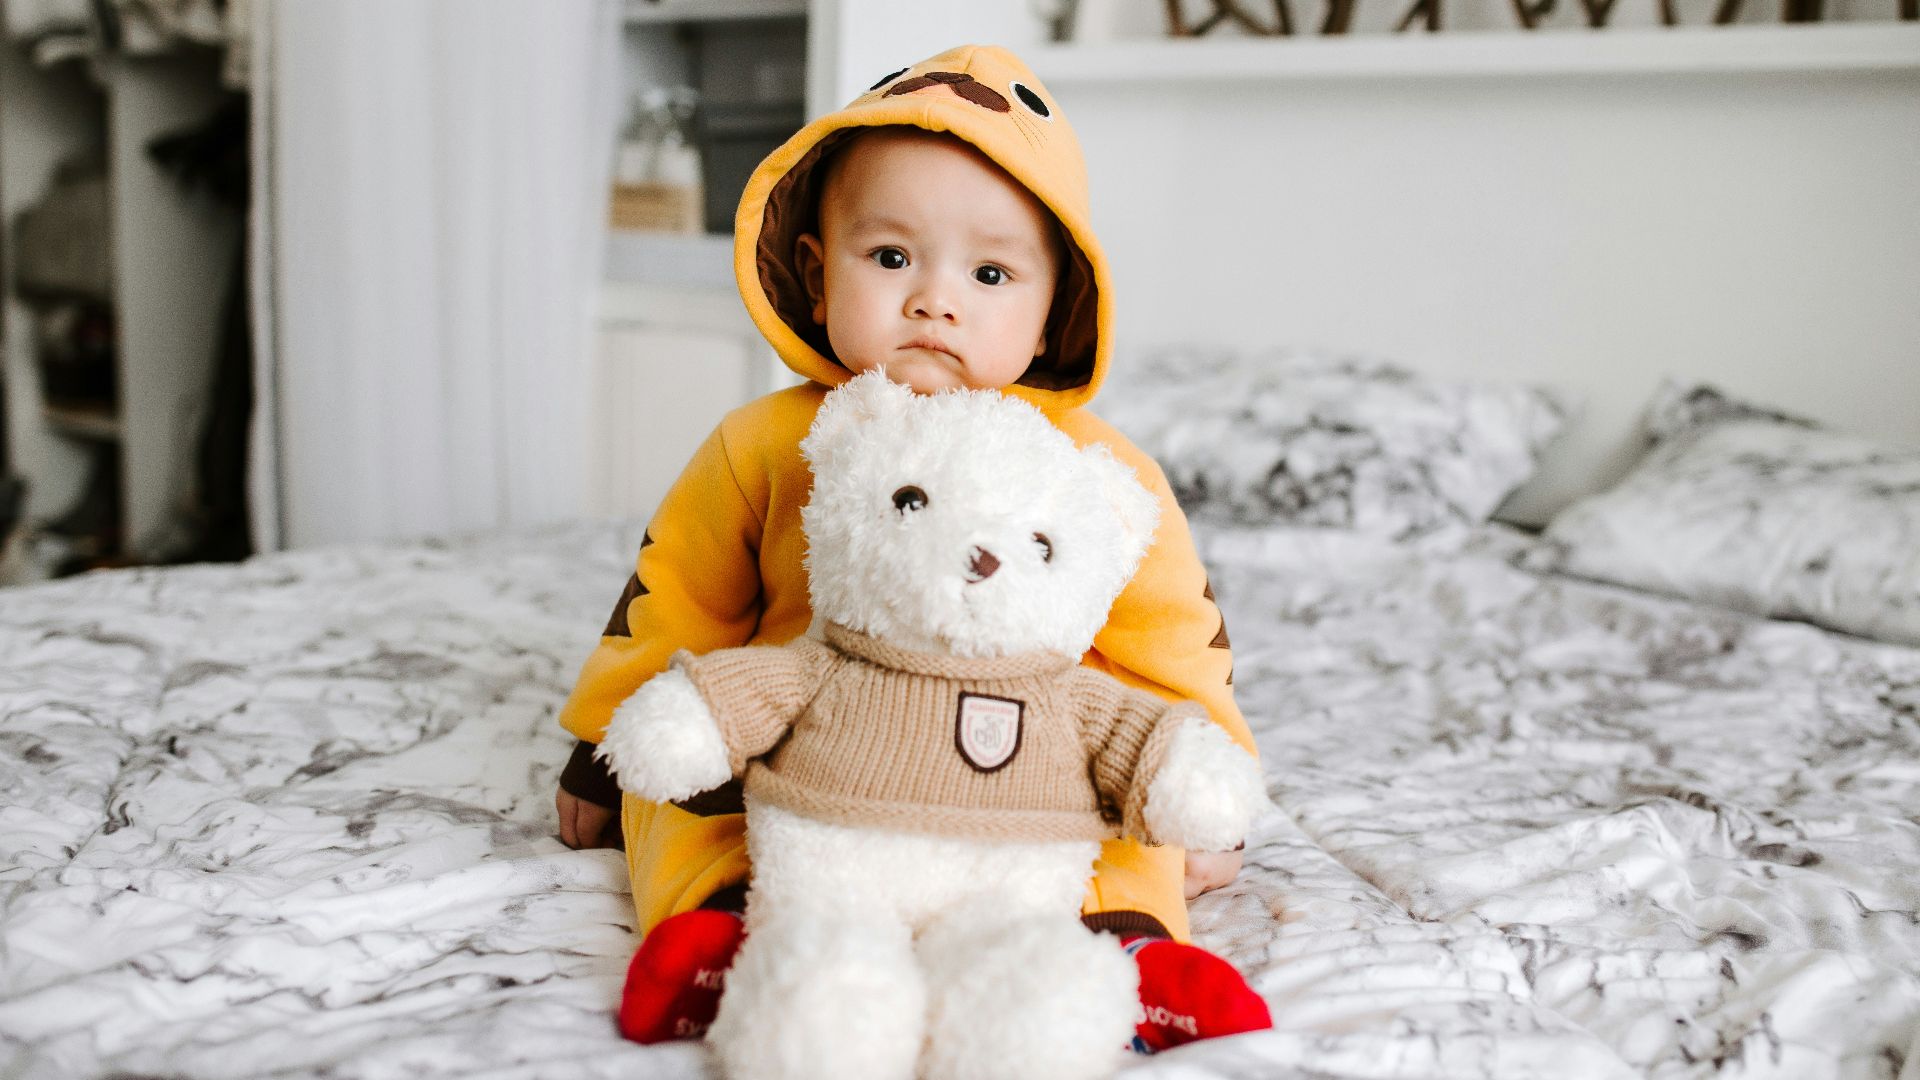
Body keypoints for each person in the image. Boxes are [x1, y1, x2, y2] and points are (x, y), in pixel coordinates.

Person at [555, 43, 1270, 1054]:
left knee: (1116, 828)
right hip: (806, 760)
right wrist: (601, 741)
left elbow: (1174, 638)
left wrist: (1209, 785)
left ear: (1053, 305)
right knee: (678, 797)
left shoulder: (1093, 471)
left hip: (1030, 773)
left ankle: (1124, 948)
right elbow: (673, 596)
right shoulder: (767, 444)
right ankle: (719, 929)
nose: (936, 299)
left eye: (989, 272)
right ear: (816, 269)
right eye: (891, 258)